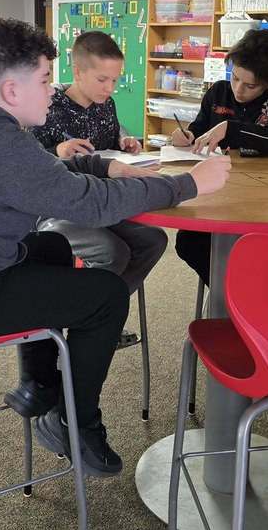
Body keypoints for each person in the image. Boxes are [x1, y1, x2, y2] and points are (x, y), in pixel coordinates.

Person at [0, 18, 230, 477]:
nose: (53, 90)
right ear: (12, 90)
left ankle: (39, 384)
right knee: (105, 296)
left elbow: (42, 172)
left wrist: (100, 165)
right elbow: (90, 206)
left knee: (48, 246)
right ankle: (74, 420)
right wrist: (189, 184)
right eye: (46, 80)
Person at [31, 31, 168, 347]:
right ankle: (90, 323)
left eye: (115, 80)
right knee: (113, 251)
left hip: (99, 201)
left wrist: (125, 143)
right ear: (78, 72)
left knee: (153, 241)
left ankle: (97, 315)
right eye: (102, 79)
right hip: (54, 207)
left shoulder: (108, 106)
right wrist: (57, 151)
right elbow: (23, 165)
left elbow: (106, 152)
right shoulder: (47, 106)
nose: (110, 88)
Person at [170, 29, 268, 286]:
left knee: (261, 251)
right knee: (188, 242)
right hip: (218, 195)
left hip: (266, 202)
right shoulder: (218, 92)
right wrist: (185, 136)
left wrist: (232, 128)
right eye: (235, 77)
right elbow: (199, 129)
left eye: (250, 85)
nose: (238, 89)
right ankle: (232, 295)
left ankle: (242, 296)